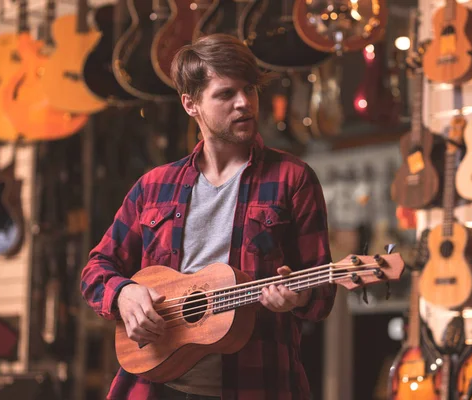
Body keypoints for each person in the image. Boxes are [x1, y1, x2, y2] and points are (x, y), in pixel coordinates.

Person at [80, 33, 337, 400]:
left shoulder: (292, 179)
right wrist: (124, 294)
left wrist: (298, 297)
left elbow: (322, 293)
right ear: (191, 104)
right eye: (226, 94)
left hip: (256, 384)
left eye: (250, 89)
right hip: (153, 385)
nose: (244, 103)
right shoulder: (153, 186)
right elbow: (97, 269)